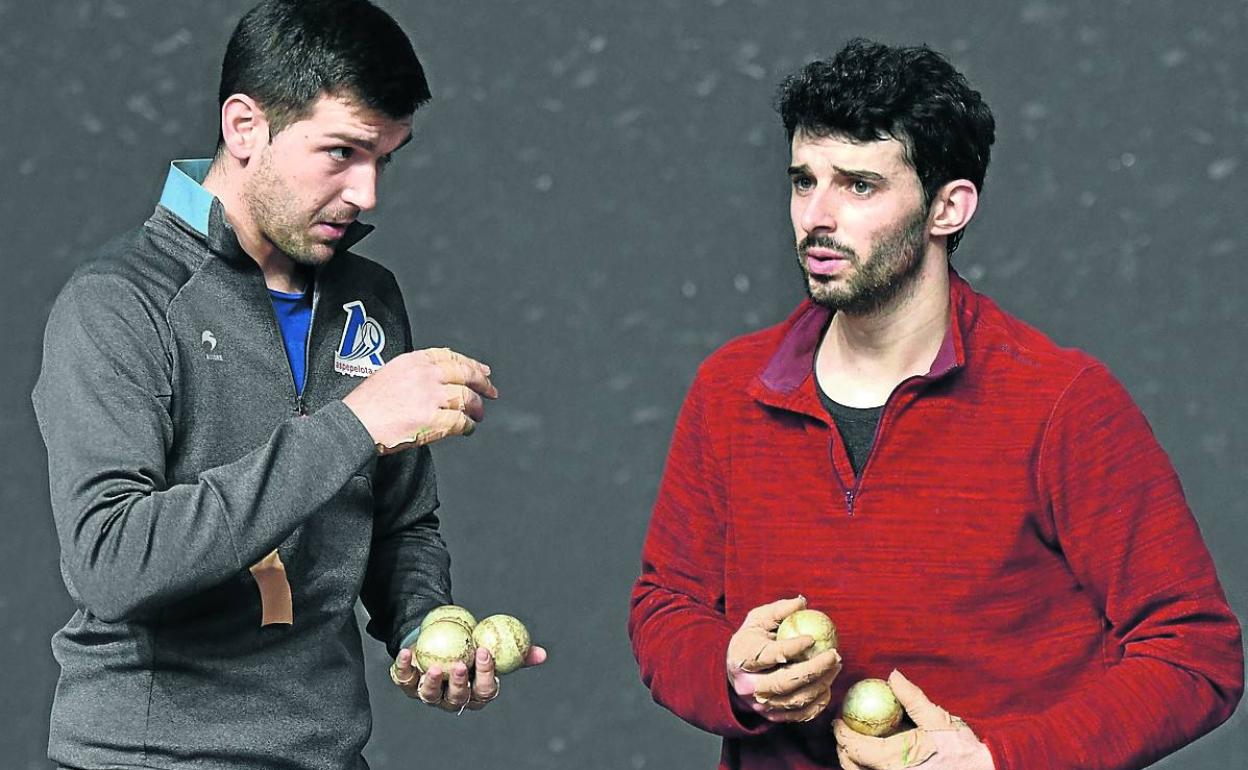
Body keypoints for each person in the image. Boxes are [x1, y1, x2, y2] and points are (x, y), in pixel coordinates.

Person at [628, 39, 1242, 770]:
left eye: (859, 186)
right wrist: (733, 674)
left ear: (947, 207)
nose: (815, 216)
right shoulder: (729, 388)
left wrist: (997, 761)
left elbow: (1195, 654)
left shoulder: (1063, 403)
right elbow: (666, 606)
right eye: (803, 181)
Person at [32, 2, 544, 768]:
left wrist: (422, 627)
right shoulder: (118, 303)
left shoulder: (369, 299)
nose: (367, 193)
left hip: (328, 754)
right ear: (245, 127)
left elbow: (401, 524)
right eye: (342, 152)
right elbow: (113, 562)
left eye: (384, 160)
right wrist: (354, 425)